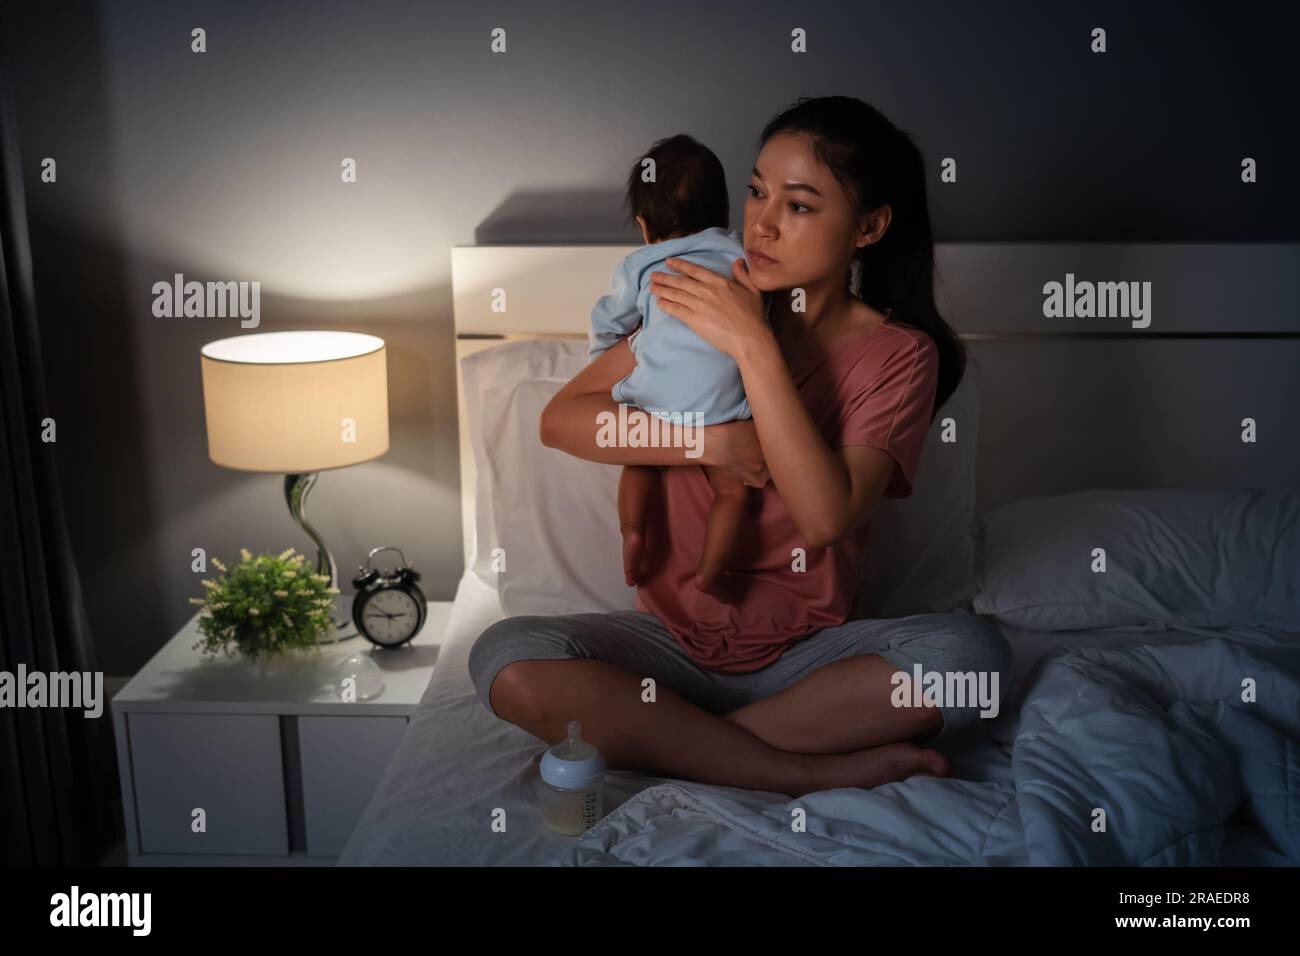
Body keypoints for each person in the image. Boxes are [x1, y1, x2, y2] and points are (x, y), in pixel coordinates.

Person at [468, 96, 1012, 798]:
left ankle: (668, 742)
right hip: (667, 651)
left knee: (974, 660)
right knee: (504, 656)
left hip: (812, 661)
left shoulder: (898, 356)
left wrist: (753, 342)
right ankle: (795, 767)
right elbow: (564, 420)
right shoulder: (692, 299)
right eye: (756, 191)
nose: (761, 221)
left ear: (869, 227)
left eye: (800, 205)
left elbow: (824, 517)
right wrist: (710, 443)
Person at [589, 133, 754, 602]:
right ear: (724, 215)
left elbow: (608, 321)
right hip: (725, 403)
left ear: (643, 226)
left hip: (659, 398)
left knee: (640, 460)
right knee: (733, 494)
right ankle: (710, 572)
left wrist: (603, 363)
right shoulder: (740, 254)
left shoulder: (639, 264)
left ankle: (633, 532)